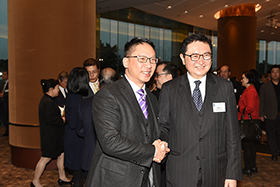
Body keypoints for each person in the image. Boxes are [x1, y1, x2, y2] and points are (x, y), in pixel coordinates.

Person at [158, 33, 242, 187]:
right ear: (183, 58)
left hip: (216, 172)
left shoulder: (224, 87)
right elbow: (164, 126)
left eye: (206, 55)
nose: (201, 61)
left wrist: (232, 173)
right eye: (194, 56)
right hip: (180, 171)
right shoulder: (169, 89)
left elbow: (232, 133)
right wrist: (161, 144)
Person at [85, 37, 170, 187]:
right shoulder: (108, 95)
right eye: (142, 59)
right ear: (126, 62)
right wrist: (152, 151)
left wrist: (161, 144)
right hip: (115, 180)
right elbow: (111, 142)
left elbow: (155, 131)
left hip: (147, 178)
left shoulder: (151, 98)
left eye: (152, 60)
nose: (148, 65)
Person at [76, 68, 118, 180]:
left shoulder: (84, 103)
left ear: (98, 82)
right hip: (116, 161)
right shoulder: (122, 105)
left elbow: (79, 130)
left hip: (90, 156)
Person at [31, 79, 71, 187]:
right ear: (51, 89)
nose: (58, 90)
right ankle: (35, 181)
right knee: (45, 158)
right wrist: (61, 120)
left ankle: (62, 177)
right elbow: (49, 119)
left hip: (55, 136)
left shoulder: (48, 100)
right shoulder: (47, 102)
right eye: (57, 88)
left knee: (61, 155)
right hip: (50, 137)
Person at [64, 67, 89, 187]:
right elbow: (75, 123)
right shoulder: (77, 99)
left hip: (71, 136)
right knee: (79, 172)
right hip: (76, 139)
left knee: (77, 174)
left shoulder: (71, 96)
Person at [237, 71, 259, 176]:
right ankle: (252, 167)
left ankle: (248, 168)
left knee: (247, 147)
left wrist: (238, 108)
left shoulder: (250, 91)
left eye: (243, 78)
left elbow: (249, 108)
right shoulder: (250, 90)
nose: (241, 80)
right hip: (250, 121)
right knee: (250, 146)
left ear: (248, 79)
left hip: (247, 121)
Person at [259, 65, 280, 161]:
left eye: (277, 71)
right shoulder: (265, 86)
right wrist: (261, 113)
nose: (275, 73)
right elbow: (261, 101)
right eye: (273, 72)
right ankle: (274, 153)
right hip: (270, 114)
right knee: (271, 135)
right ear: (270, 74)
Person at [0, 71, 9, 136]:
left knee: (6, 117)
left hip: (7, 104)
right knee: (3, 117)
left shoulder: (10, 84)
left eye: (4, 74)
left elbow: (10, 94)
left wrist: (3, 95)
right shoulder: (3, 84)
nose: (3, 75)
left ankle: (8, 131)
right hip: (3, 103)